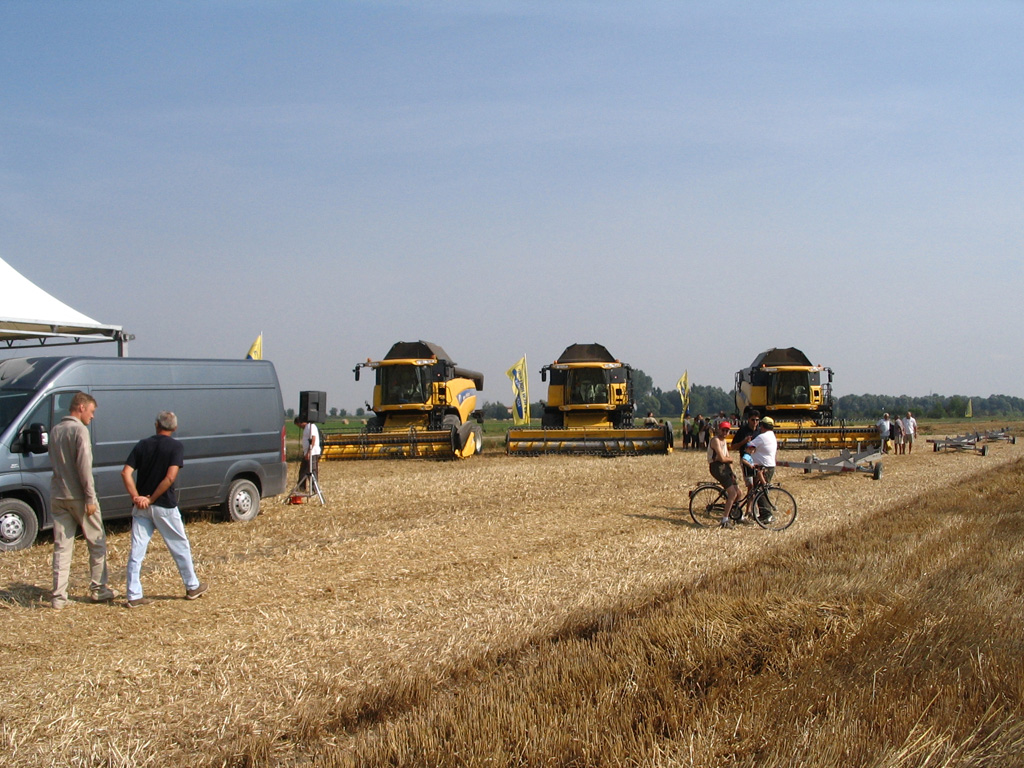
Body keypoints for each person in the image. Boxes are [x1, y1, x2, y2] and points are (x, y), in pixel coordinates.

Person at [121, 411, 208, 608]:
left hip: (141, 508)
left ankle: (133, 594)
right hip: (164, 505)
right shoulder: (176, 447)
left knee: (137, 551)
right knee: (179, 545)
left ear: (156, 425)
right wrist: (152, 499)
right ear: (175, 428)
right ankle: (192, 586)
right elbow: (170, 478)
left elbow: (125, 473)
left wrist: (137, 497)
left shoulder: (142, 444)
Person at [48, 391, 115, 609]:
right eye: (92, 411)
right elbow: (84, 466)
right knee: (96, 542)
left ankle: (58, 596)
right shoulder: (80, 430)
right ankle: (99, 589)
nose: (92, 416)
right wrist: (90, 497)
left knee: (62, 546)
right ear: (81, 407)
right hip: (79, 496)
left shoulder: (55, 430)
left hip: (59, 495)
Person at [746, 416, 779, 524]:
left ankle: (766, 515)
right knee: (761, 490)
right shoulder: (772, 435)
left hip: (763, 467)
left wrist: (749, 445)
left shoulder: (762, 437)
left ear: (762, 426)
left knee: (760, 491)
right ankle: (764, 513)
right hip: (769, 466)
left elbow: (749, 445)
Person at [707, 421, 740, 527]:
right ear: (718, 430)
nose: (725, 432)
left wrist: (732, 471)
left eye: (727, 430)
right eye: (723, 430)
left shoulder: (724, 441)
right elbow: (722, 458)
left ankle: (735, 513)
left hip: (725, 467)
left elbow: (726, 457)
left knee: (739, 493)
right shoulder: (715, 440)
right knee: (732, 493)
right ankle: (725, 519)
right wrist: (730, 459)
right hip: (717, 467)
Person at [730, 409, 761, 494]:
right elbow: (733, 446)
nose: (755, 422)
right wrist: (743, 442)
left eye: (757, 420)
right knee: (750, 485)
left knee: (757, 485)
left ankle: (753, 502)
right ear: (748, 420)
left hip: (757, 459)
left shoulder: (759, 431)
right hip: (746, 460)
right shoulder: (742, 430)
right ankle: (749, 502)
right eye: (753, 420)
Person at [295, 415, 321, 494]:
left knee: (312, 471)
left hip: (312, 453)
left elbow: (313, 439)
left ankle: (314, 488)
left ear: (300, 422)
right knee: (303, 471)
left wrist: (309, 452)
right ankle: (301, 488)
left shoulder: (310, 426)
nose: (299, 427)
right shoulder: (307, 428)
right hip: (307, 453)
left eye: (298, 425)